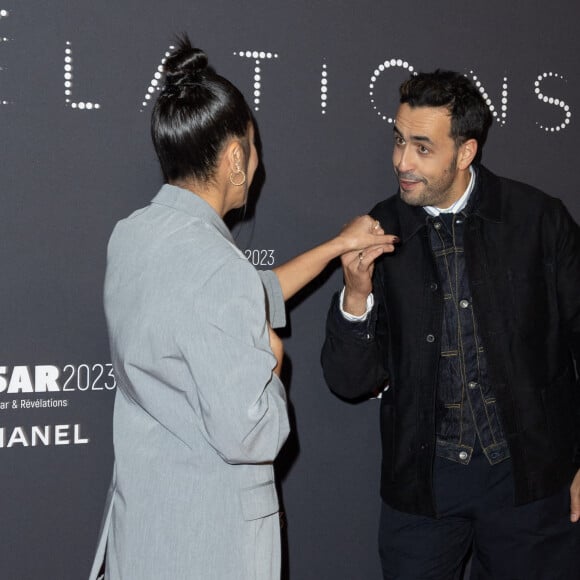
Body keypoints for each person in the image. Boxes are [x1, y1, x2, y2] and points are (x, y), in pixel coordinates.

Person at [88, 36, 396, 580]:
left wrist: (334, 247)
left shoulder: (133, 236)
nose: (257, 166)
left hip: (146, 529)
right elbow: (250, 434)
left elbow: (238, 294)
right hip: (209, 544)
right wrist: (275, 362)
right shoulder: (214, 265)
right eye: (253, 150)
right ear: (234, 158)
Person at [321, 69, 580, 579]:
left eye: (422, 147)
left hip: (528, 483)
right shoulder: (379, 230)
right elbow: (350, 381)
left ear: (465, 152)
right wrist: (356, 293)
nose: (401, 161)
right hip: (422, 489)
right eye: (399, 141)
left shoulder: (538, 221)